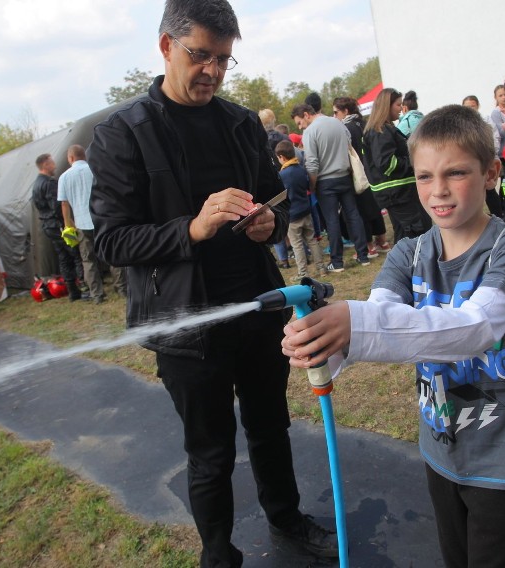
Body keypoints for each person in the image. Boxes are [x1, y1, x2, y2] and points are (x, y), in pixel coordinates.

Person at [86, 1, 338, 565]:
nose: (214, 72)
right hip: (185, 326)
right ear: (165, 46)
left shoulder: (241, 122)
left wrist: (268, 223)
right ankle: (218, 552)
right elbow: (112, 242)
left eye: (225, 60)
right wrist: (192, 229)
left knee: (271, 427)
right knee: (210, 452)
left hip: (257, 307)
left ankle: (286, 519)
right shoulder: (122, 134)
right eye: (202, 56)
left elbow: (274, 196)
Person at [283, 104, 505, 568]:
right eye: (423, 176)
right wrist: (320, 345)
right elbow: (381, 317)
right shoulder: (409, 253)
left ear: (491, 171)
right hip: (442, 448)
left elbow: (478, 326)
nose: (438, 191)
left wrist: (355, 324)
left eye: (456, 173)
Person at [292, 102, 371, 272]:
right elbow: (349, 145)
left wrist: (312, 186)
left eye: (299, 122)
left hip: (325, 181)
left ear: (306, 114)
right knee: (353, 215)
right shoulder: (338, 123)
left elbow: (312, 164)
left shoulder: (310, 132)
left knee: (332, 220)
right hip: (345, 176)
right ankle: (363, 255)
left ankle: (337, 262)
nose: (300, 126)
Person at [57, 144, 126, 304]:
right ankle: (122, 288)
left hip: (81, 223)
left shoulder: (64, 177)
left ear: (70, 158)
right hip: (103, 220)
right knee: (112, 254)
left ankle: (97, 295)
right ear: (84, 156)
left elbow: (64, 204)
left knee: (88, 261)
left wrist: (69, 225)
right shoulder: (95, 169)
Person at [362, 88, 431, 243]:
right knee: (415, 233)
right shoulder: (380, 131)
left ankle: (404, 266)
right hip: (397, 193)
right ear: (387, 106)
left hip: (397, 193)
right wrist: (415, 162)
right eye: (398, 104)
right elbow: (387, 164)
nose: (401, 108)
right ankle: (411, 266)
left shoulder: (383, 129)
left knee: (406, 235)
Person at [332, 95, 390, 255]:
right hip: (372, 172)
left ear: (345, 110)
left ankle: (369, 246)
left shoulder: (347, 128)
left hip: (358, 174)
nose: (335, 116)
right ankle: (382, 241)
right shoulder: (365, 123)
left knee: (360, 211)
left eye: (336, 112)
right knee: (375, 208)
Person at [31, 153, 83, 302]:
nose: (54, 164)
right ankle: (84, 287)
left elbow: (40, 207)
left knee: (63, 257)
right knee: (75, 253)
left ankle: (73, 291)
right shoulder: (49, 183)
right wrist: (68, 224)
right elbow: (58, 207)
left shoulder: (36, 184)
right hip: (59, 226)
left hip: (49, 226)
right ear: (45, 164)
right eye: (52, 162)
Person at [276, 139, 326, 282]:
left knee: (297, 245)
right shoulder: (300, 169)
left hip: (292, 216)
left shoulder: (283, 175)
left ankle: (303, 272)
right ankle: (321, 268)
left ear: (282, 157)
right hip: (306, 210)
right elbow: (307, 187)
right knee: (312, 240)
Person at [489, 85, 505, 157]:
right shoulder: (496, 112)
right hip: (504, 151)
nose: (504, 97)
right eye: (500, 96)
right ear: (496, 97)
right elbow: (501, 133)